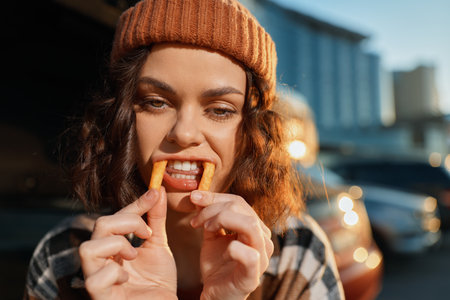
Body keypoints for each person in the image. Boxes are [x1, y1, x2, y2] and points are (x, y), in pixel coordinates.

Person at [24, 0, 344, 299]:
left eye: (220, 109)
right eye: (156, 103)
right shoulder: (64, 256)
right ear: (123, 119)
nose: (184, 133)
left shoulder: (298, 252)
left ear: (251, 133)